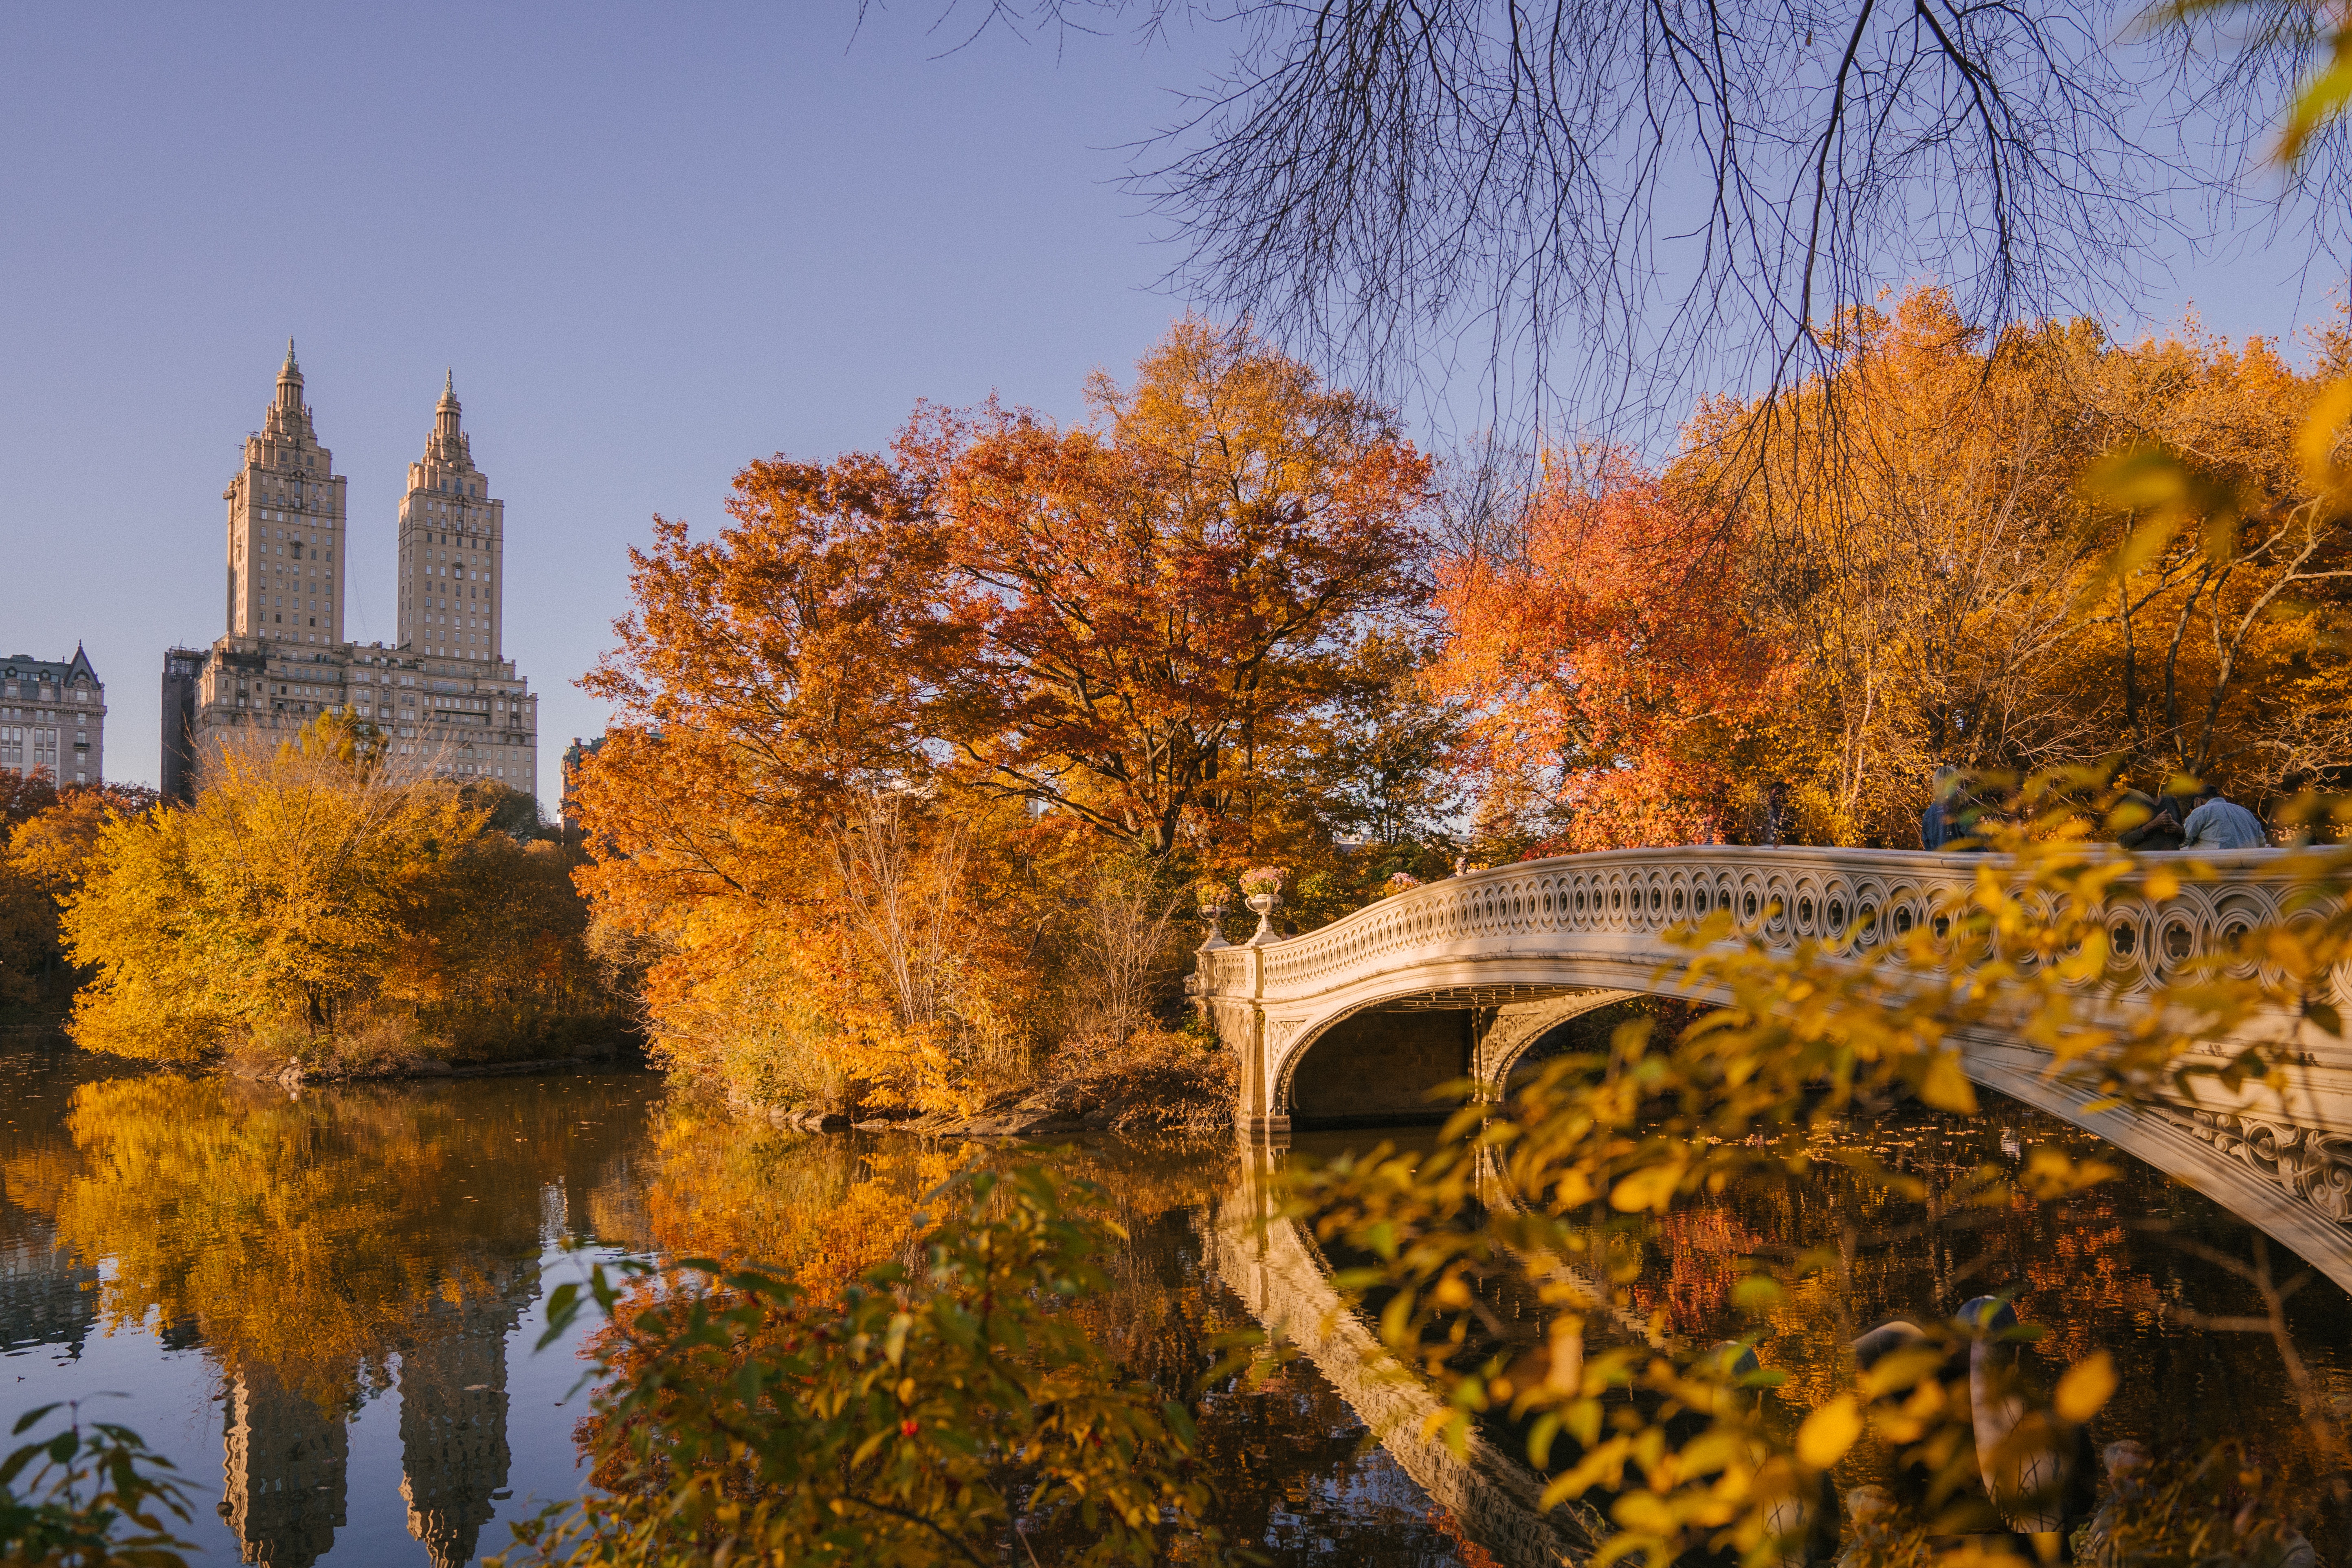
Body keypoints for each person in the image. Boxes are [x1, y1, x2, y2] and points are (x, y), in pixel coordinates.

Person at [2180, 784, 2267, 851]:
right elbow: (2262, 842)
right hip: (2248, 868)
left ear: (2198, 801)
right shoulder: (2246, 812)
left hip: (2215, 867)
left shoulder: (2201, 811)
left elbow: (2183, 839)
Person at [2116, 787, 2190, 852]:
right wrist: (2153, 825)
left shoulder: (2171, 800)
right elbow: (2123, 842)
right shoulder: (2130, 803)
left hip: (2171, 863)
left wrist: (2178, 829)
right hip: (2145, 864)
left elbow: (2182, 839)